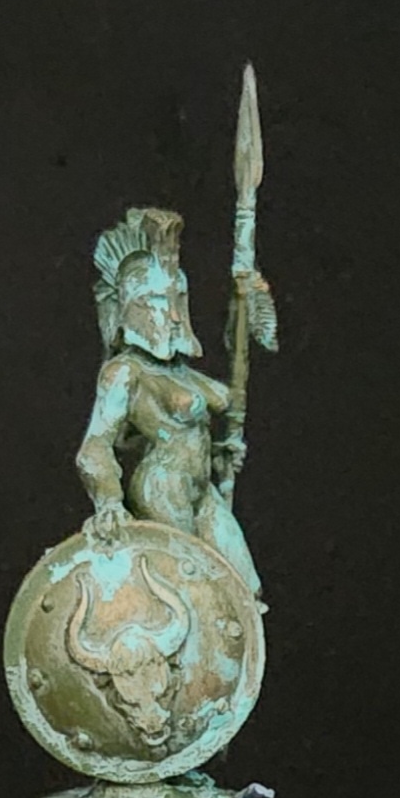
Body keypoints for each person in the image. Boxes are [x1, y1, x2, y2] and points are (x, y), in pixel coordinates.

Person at [75, 208, 261, 591]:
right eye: (161, 300)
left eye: (179, 296)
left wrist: (220, 453)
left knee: (245, 589)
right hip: (163, 490)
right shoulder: (124, 372)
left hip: (201, 490)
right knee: (196, 590)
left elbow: (212, 409)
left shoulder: (180, 370)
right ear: (136, 307)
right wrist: (109, 501)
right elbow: (94, 447)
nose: (175, 314)